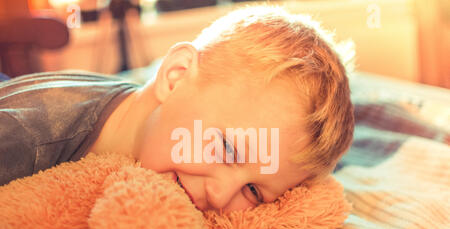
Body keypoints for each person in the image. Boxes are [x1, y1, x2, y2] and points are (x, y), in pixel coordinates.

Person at [0, 5, 354, 213]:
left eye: (254, 192)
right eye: (227, 148)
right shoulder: (29, 139)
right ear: (176, 76)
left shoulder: (141, 126)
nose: (219, 195)